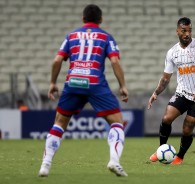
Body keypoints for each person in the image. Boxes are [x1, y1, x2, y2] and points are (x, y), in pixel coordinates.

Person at [38, 4, 129, 177]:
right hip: (95, 82)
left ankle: (45, 164)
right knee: (117, 122)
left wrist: (52, 83)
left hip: (73, 82)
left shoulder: (71, 36)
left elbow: (57, 60)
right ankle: (114, 161)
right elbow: (115, 62)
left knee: (59, 123)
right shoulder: (105, 37)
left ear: (83, 19)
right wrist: (123, 86)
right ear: (100, 20)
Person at [147, 17, 195, 165]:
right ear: (177, 31)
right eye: (184, 30)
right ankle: (161, 150)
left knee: (187, 129)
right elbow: (166, 78)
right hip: (183, 92)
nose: (187, 33)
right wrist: (156, 93)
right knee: (166, 119)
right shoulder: (172, 52)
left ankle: (179, 157)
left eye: (189, 30)